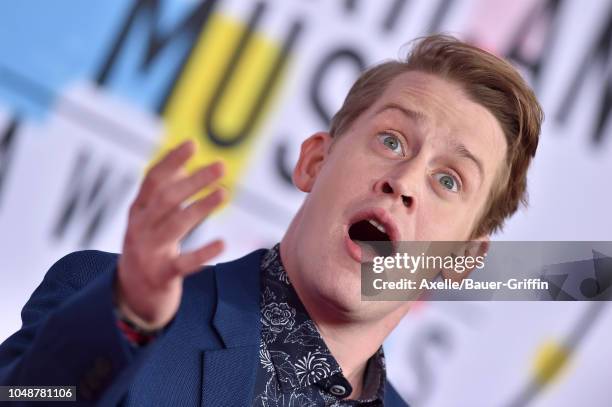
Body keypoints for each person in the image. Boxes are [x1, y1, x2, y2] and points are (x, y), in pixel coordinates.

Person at [0, 34, 543, 406]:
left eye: (449, 180)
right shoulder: (103, 299)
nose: (403, 182)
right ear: (315, 161)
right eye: (392, 140)